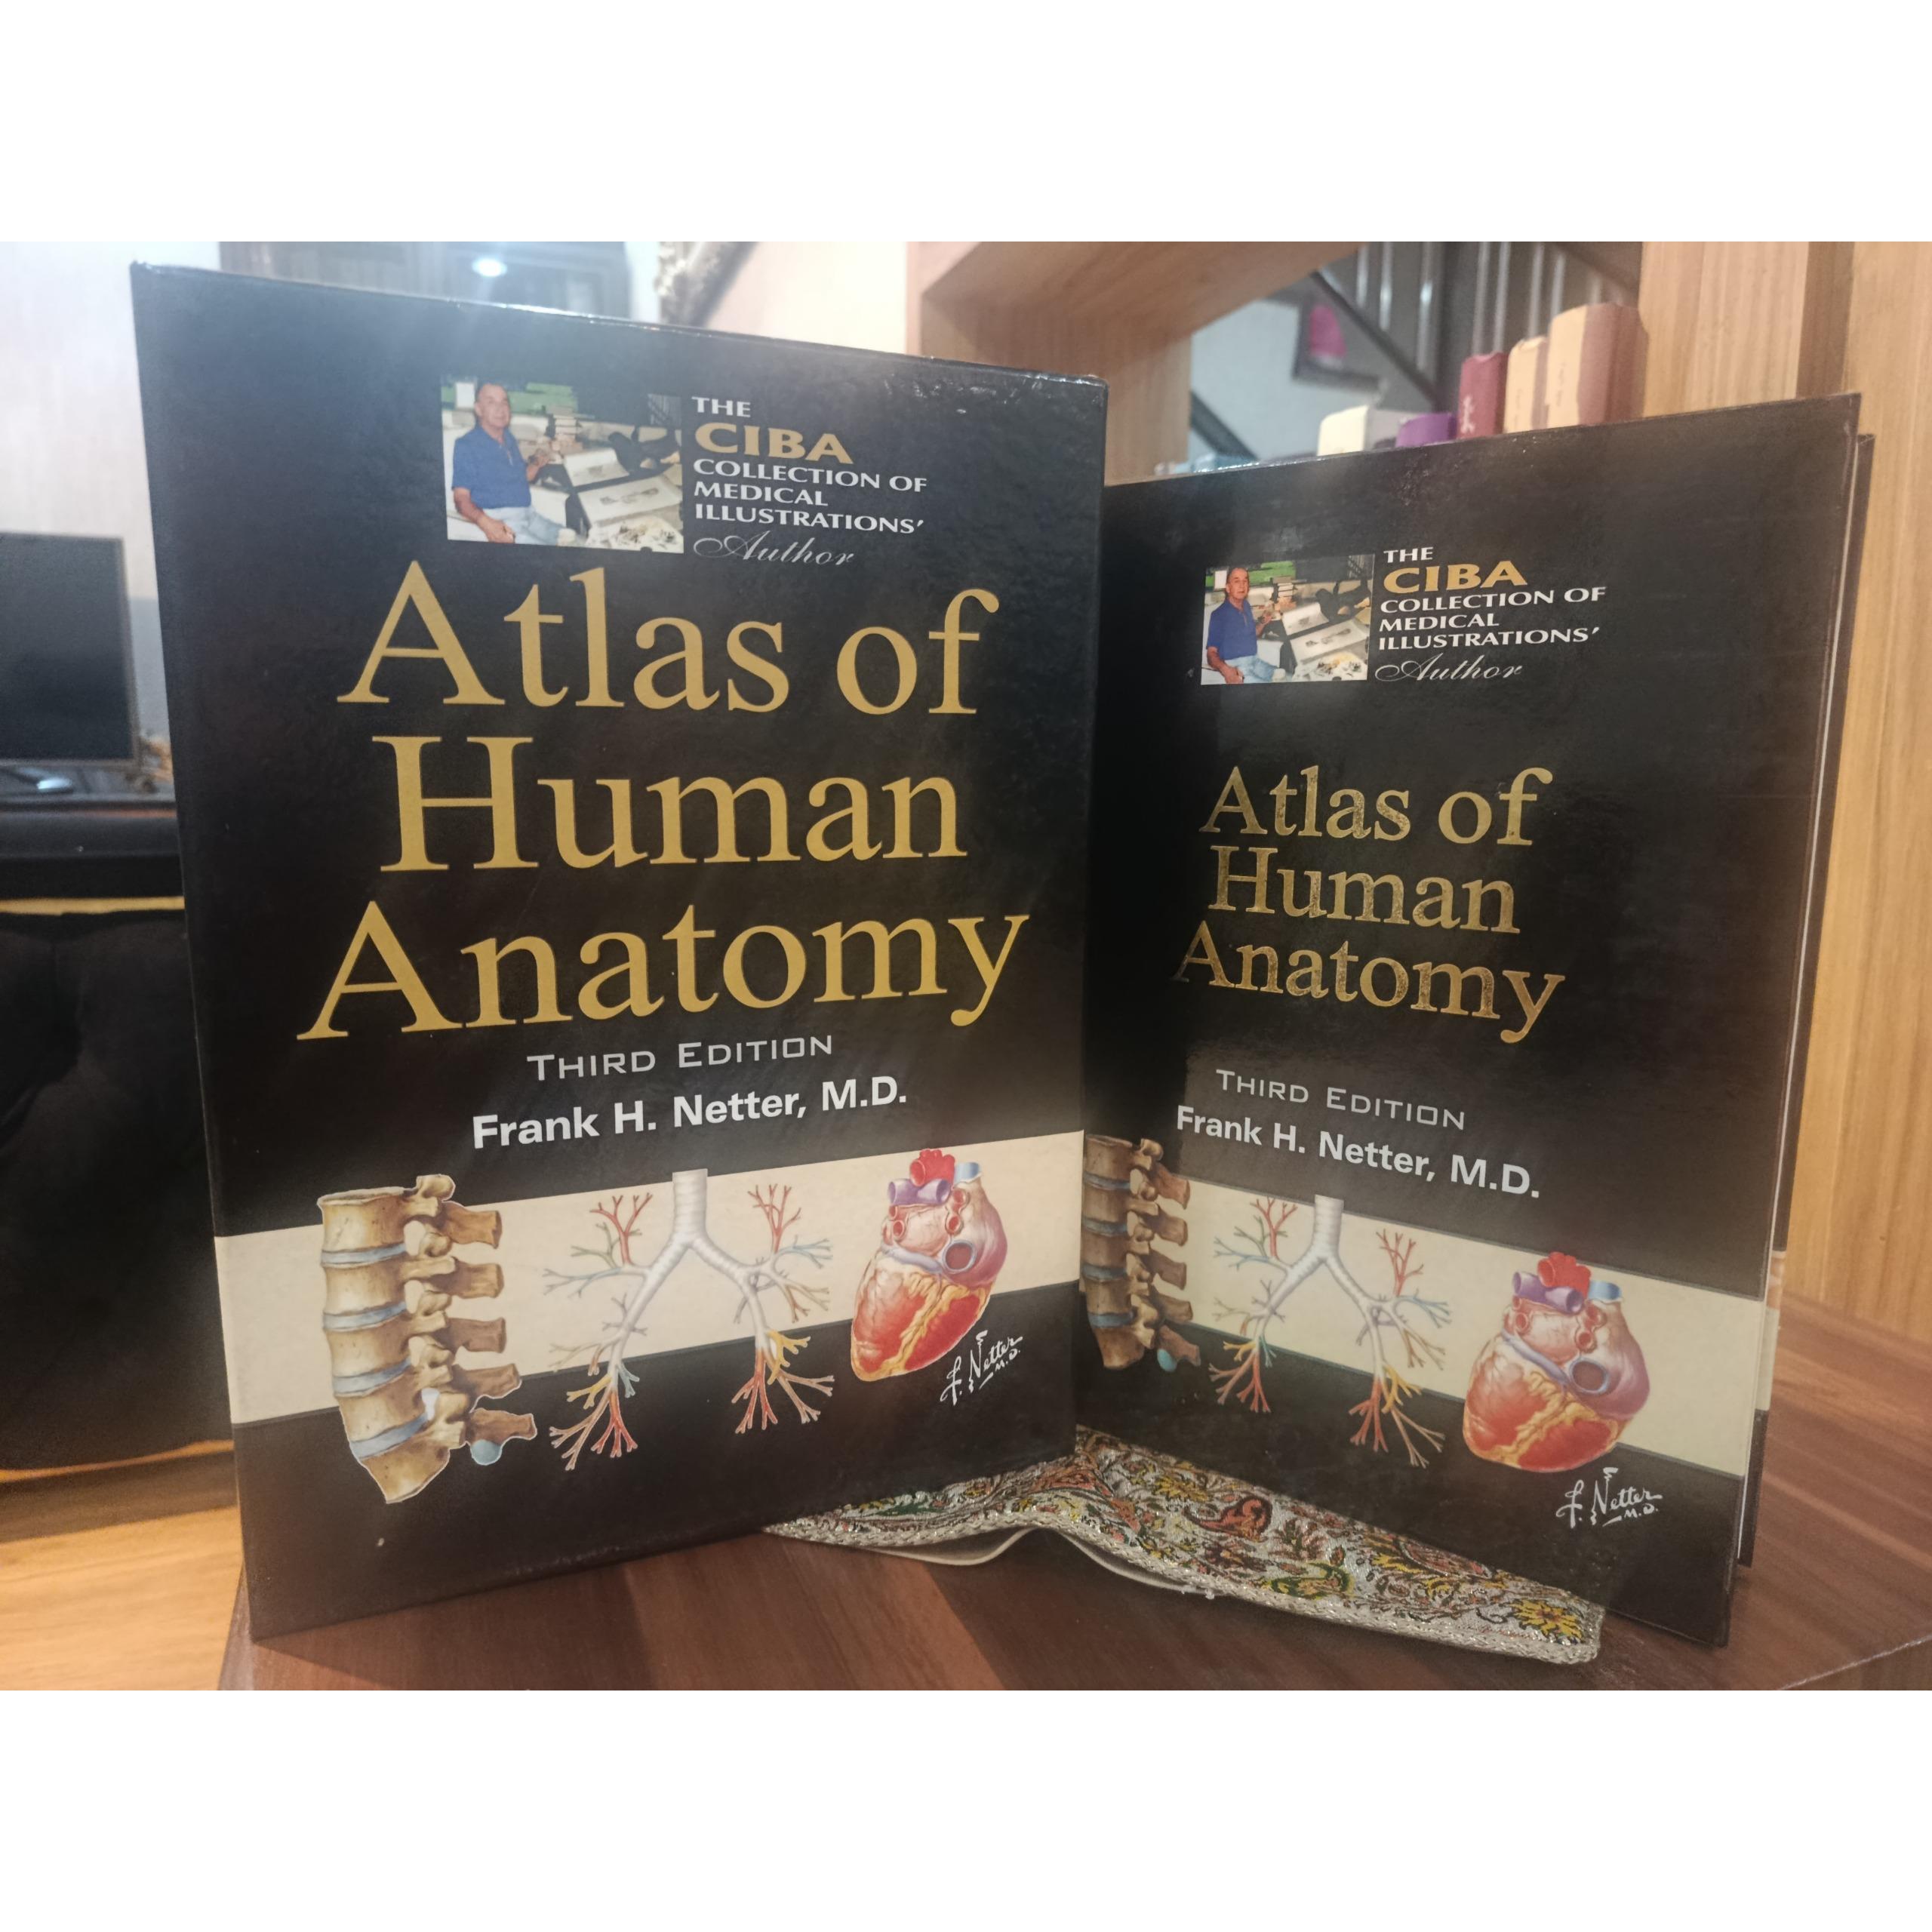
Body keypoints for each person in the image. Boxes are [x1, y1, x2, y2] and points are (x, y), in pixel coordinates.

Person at [451, 382, 561, 543]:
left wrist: (536, 464)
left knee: (575, 539)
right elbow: (461, 498)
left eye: (504, 402)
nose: (501, 408)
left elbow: (523, 477)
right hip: (502, 521)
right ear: (479, 409)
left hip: (530, 516)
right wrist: (486, 523)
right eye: (491, 402)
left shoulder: (508, 438)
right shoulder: (467, 445)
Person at [1202, 565, 1287, 684]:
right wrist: (1227, 671)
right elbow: (1211, 654)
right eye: (1237, 581)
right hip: (1237, 668)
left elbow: (1253, 634)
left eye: (1245, 581)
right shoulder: (1219, 615)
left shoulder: (1246, 606)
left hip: (1256, 662)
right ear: (1228, 588)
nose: (1242, 585)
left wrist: (1263, 623)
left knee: (1287, 678)